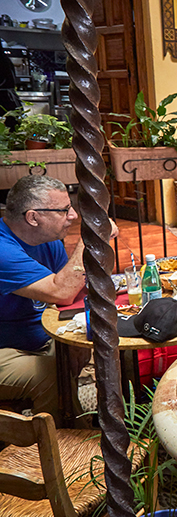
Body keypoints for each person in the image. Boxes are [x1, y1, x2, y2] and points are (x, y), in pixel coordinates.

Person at [0, 175, 118, 418]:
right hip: (6, 348)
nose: (73, 215)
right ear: (33, 217)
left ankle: (92, 417)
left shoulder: (47, 239)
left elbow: (72, 290)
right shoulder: (3, 250)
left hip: (41, 337)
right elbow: (61, 291)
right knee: (52, 375)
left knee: (96, 346)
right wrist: (91, 237)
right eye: (64, 210)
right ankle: (57, 444)